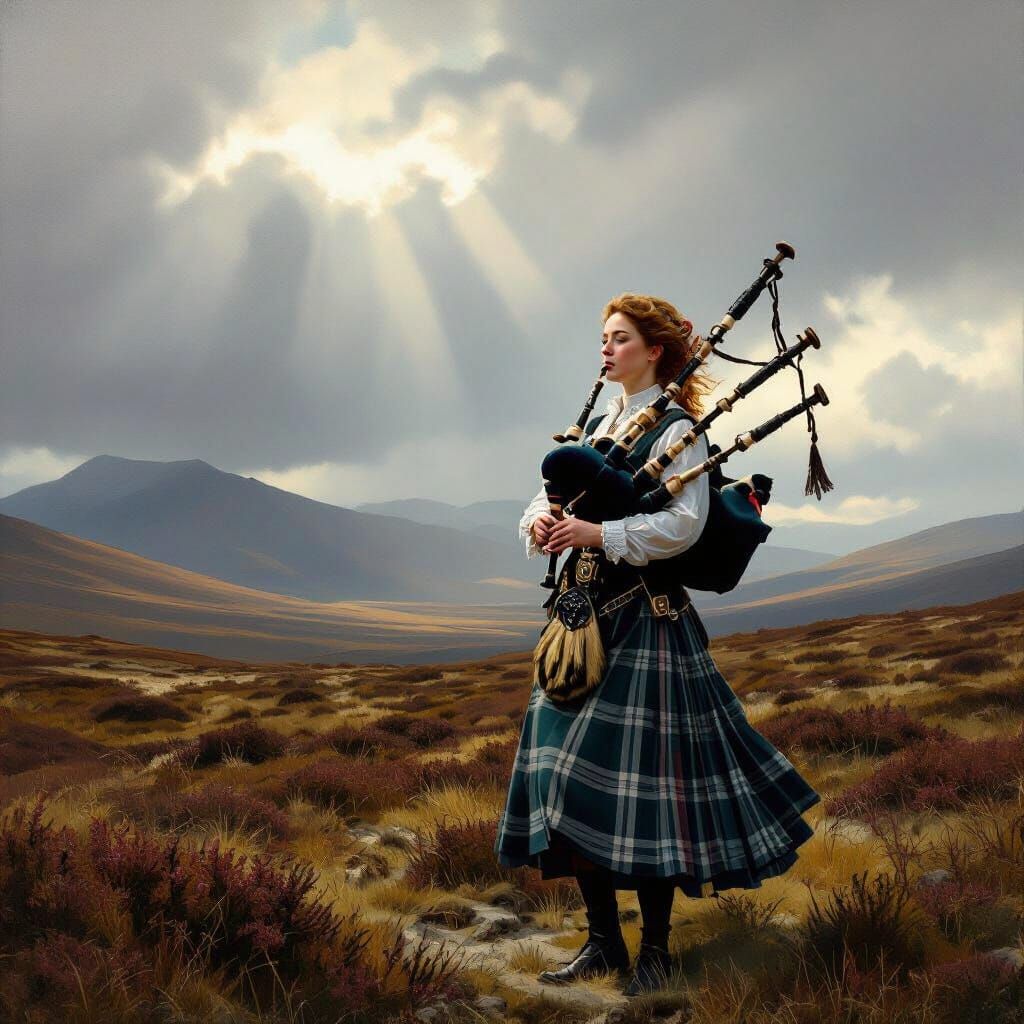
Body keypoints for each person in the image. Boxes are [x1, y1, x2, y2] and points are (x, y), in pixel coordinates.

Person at [493, 293, 822, 998]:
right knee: (565, 782)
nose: (605, 350)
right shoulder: (598, 421)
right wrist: (545, 526)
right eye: (603, 338)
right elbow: (539, 498)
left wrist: (600, 535)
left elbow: (684, 527)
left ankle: (657, 952)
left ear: (656, 350)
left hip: (645, 622)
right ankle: (603, 943)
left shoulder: (680, 430)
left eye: (618, 339)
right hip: (577, 621)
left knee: (645, 796)